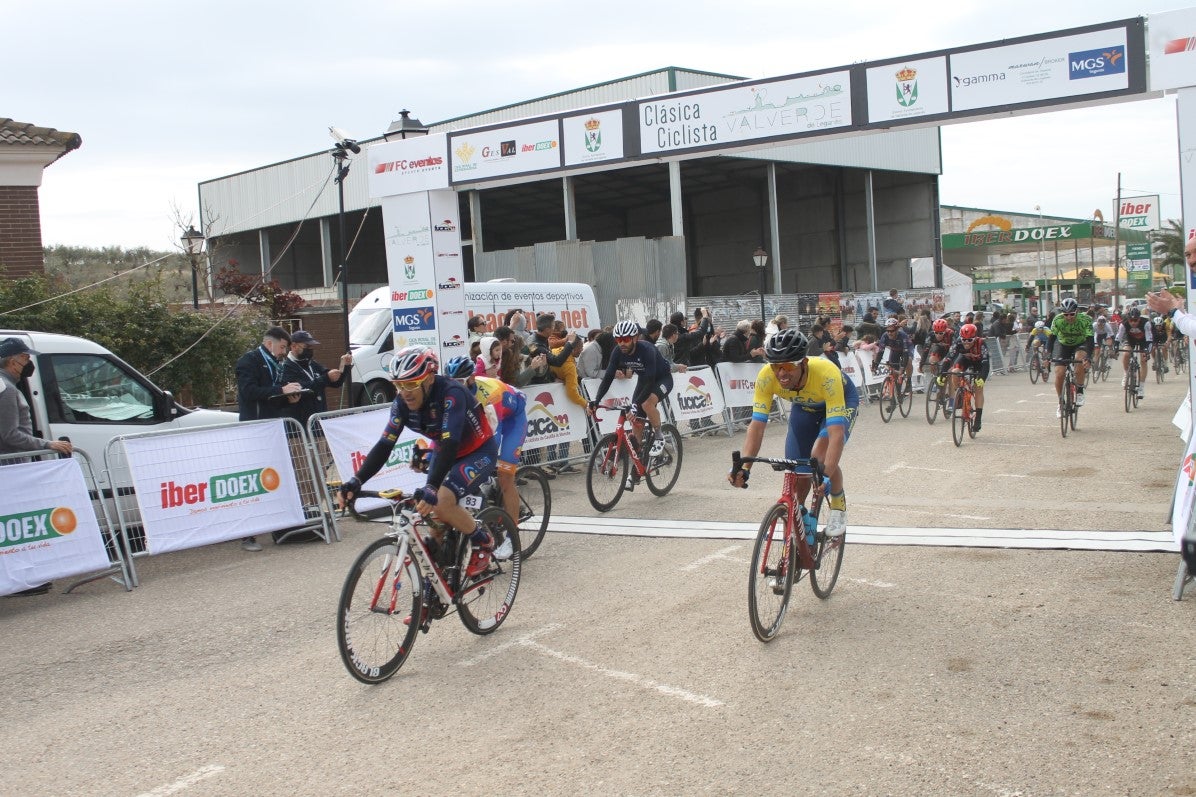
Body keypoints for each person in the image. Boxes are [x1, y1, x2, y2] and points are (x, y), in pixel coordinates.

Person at [337, 346, 508, 577]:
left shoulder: (451, 393)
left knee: (442, 500)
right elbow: (385, 445)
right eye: (399, 385)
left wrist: (432, 486)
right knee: (431, 520)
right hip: (445, 449)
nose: (404, 392)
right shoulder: (400, 404)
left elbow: (450, 443)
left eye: (411, 384)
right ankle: (432, 592)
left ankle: (483, 541)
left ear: (428, 379)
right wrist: (356, 480)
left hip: (477, 450)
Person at [728, 329, 858, 537]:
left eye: (788, 366)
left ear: (804, 363)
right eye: (776, 367)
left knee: (819, 456)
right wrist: (745, 467)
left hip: (839, 402)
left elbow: (835, 433)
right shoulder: (766, 377)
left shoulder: (826, 374)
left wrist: (825, 477)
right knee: (797, 467)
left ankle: (838, 504)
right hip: (804, 407)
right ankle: (802, 516)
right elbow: (757, 426)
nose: (781, 373)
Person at [0, 338, 73, 596]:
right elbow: (9, 435)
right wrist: (46, 444)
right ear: (13, 360)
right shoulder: (6, 390)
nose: (28, 363)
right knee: (14, 527)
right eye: (25, 358)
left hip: (10, 467)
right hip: (10, 467)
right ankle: (19, 581)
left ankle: (19, 579)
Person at [235, 325, 304, 552]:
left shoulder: (276, 364)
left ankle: (280, 526)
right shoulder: (249, 361)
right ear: (269, 344)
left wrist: (287, 399)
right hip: (254, 429)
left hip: (272, 428)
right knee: (254, 480)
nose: (283, 352)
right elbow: (250, 392)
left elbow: (271, 395)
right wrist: (280, 390)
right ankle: (248, 534)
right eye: (282, 347)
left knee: (276, 476)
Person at [586, 320, 674, 490]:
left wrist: (635, 405)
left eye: (625, 339)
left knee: (647, 404)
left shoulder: (647, 349)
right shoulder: (618, 352)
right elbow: (608, 378)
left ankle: (659, 435)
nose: (622, 343)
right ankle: (637, 468)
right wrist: (596, 401)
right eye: (618, 340)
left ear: (635, 337)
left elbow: (649, 382)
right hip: (644, 380)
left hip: (661, 379)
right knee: (636, 426)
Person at [444, 356, 527, 524]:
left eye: (459, 382)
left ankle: (513, 537)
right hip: (489, 420)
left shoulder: (489, 393)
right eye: (450, 382)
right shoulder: (450, 395)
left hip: (512, 418)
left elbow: (491, 438)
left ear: (471, 379)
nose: (453, 387)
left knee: (505, 476)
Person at [280, 330, 351, 426]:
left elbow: (335, 383)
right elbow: (301, 389)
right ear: (293, 346)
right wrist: (325, 378)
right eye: (306, 346)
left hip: (320, 420)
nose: (309, 349)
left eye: (311, 347)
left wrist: (345, 367)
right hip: (301, 424)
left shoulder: (312, 363)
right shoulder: (287, 367)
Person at [1049, 298, 1093, 419]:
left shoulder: (1085, 320)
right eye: (1066, 314)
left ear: (1077, 311)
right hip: (1063, 345)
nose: (1069, 317)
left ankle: (1079, 390)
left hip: (1081, 343)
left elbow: (1090, 339)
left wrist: (1088, 356)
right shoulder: (1057, 320)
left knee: (1079, 359)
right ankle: (1060, 403)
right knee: (1059, 373)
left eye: (1072, 314)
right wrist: (1048, 355)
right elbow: (1052, 338)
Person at [945, 323, 989, 433]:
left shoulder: (981, 343)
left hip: (979, 364)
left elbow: (986, 364)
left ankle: (978, 418)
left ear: (975, 338)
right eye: (964, 340)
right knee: (954, 372)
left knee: (978, 388)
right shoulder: (958, 342)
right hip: (964, 360)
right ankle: (960, 395)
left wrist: (982, 379)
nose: (966, 343)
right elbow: (948, 358)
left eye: (970, 340)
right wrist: (942, 374)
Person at [1114, 307, 1151, 401]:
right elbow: (1119, 336)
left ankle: (1141, 387)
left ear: (1139, 318)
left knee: (1143, 360)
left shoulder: (1145, 323)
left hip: (1144, 341)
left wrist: (1147, 351)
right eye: (1131, 320)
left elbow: (1149, 339)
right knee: (1126, 354)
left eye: (1136, 320)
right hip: (1131, 340)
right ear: (1128, 319)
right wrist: (1116, 347)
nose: (1133, 322)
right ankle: (1126, 373)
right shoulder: (1124, 324)